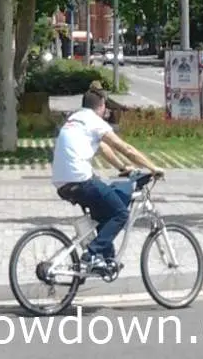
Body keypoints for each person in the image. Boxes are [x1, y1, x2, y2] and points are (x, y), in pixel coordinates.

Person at [52, 88, 163, 275]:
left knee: (108, 206)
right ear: (101, 105)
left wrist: (122, 168)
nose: (106, 111)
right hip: (80, 179)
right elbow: (124, 148)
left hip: (62, 183)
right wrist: (153, 167)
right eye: (105, 107)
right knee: (121, 213)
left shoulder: (75, 119)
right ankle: (93, 254)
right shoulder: (95, 121)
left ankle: (104, 260)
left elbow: (104, 149)